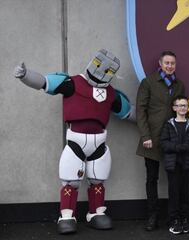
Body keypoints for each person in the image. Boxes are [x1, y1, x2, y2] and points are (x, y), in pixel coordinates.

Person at [13, 49, 131, 234]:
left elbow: (128, 112)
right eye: (99, 66)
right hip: (76, 140)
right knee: (70, 181)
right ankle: (67, 215)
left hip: (99, 142)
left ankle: (97, 212)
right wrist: (26, 76)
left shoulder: (111, 93)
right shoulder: (73, 83)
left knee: (98, 180)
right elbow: (45, 83)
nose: (101, 71)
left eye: (108, 70)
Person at [136, 51, 185, 231]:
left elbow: (181, 110)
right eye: (167, 63)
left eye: (172, 63)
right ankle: (152, 216)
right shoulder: (148, 82)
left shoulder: (179, 85)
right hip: (152, 138)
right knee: (152, 178)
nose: (170, 66)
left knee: (174, 179)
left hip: (172, 139)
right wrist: (145, 136)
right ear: (160, 63)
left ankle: (174, 217)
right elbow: (140, 111)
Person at [160, 96, 189, 235]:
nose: (182, 108)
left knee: (186, 194)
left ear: (188, 108)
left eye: (185, 105)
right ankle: (174, 221)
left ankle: (185, 220)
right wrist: (178, 147)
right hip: (173, 165)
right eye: (179, 105)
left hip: (188, 165)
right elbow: (164, 143)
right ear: (174, 108)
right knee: (174, 193)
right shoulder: (168, 124)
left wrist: (186, 147)